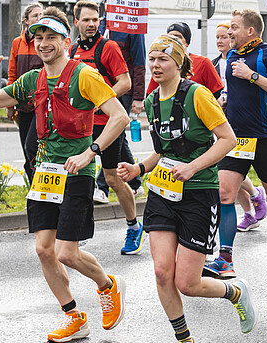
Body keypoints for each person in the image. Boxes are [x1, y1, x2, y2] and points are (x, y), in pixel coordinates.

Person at [0, 8, 128, 342]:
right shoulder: (33, 79)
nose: (43, 43)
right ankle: (74, 316)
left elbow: (119, 117)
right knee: (44, 250)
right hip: (46, 173)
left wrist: (91, 152)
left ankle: (108, 285)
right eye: (38, 37)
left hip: (78, 171)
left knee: (66, 253)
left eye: (50, 37)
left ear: (66, 41)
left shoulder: (84, 75)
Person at [117, 34, 257, 342]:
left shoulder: (197, 95)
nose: (155, 65)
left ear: (179, 62)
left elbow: (228, 140)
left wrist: (193, 167)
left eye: (163, 59)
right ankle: (184, 339)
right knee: (162, 272)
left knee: (188, 283)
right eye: (152, 59)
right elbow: (164, 150)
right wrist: (139, 168)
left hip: (199, 194)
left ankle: (235, 291)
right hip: (163, 195)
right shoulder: (153, 100)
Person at [203, 9, 267, 279]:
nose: (229, 33)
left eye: (234, 28)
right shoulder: (232, 57)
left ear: (250, 30)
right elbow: (240, 94)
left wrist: (252, 75)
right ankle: (225, 258)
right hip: (237, 138)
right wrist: (224, 100)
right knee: (225, 194)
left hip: (266, 137)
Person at [69, 0, 143, 255]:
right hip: (82, 127)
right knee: (81, 178)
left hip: (107, 125)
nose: (92, 24)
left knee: (112, 178)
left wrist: (103, 99)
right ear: (76, 22)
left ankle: (134, 226)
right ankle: (78, 232)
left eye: (95, 19)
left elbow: (125, 81)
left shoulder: (108, 47)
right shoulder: (72, 50)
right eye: (86, 20)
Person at [211, 21, 267, 231]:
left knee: (229, 173)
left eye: (224, 36)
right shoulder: (214, 63)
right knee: (227, 176)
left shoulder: (244, 59)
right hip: (219, 121)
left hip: (242, 125)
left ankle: (254, 197)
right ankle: (250, 208)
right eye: (217, 37)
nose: (220, 40)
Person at [92, 4, 145, 205]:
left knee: (114, 134)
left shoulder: (130, 25)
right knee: (118, 138)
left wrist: (138, 97)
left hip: (124, 91)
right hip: (99, 90)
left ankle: (103, 186)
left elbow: (139, 62)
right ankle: (136, 182)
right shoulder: (99, 24)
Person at [7, 2, 44, 182]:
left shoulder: (45, 42)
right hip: (23, 106)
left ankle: (40, 188)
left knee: (33, 147)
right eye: (36, 16)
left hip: (41, 105)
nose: (39, 18)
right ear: (26, 20)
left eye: (41, 15)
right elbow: (12, 74)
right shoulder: (17, 43)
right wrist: (9, 104)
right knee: (27, 150)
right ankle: (34, 190)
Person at [145, 22, 223, 98]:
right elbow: (150, 97)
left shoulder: (203, 62)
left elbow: (217, 95)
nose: (173, 41)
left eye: (177, 37)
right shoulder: (162, 65)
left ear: (187, 42)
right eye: (169, 37)